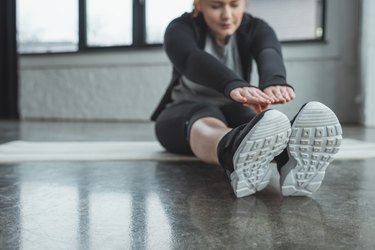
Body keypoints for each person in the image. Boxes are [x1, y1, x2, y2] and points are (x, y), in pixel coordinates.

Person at [151, 0, 342, 198]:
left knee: (261, 123)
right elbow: (190, 58)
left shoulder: (256, 27)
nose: (226, 15)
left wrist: (273, 80)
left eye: (234, 5)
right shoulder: (179, 28)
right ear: (199, 5)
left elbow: (268, 50)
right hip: (184, 109)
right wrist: (232, 83)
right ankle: (232, 150)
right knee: (204, 117)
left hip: (233, 104)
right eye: (216, 6)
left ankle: (289, 156)